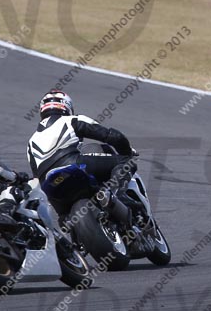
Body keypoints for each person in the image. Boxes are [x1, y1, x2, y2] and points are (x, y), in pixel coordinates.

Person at [27, 89, 138, 220]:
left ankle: (71, 225)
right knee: (125, 162)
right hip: (71, 163)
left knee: (66, 221)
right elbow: (112, 136)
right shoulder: (71, 120)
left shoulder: (31, 141)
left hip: (49, 186)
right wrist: (127, 151)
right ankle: (119, 195)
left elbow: (36, 178)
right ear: (66, 106)